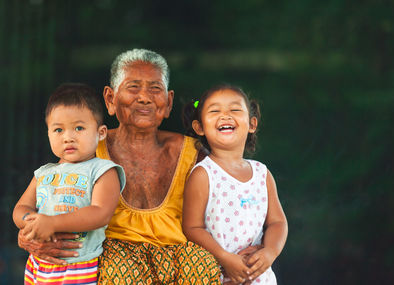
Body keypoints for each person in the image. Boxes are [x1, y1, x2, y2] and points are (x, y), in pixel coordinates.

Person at [18, 49, 222, 284]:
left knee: (205, 266)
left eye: (155, 88)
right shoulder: (87, 149)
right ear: (110, 99)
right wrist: (28, 236)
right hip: (117, 259)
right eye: (133, 87)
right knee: (118, 273)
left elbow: (226, 208)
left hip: (178, 255)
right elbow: (52, 198)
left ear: (168, 102)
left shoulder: (194, 153)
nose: (144, 97)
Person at [13, 83, 126, 284]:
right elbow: (20, 208)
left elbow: (100, 213)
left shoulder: (103, 170)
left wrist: (53, 223)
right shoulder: (43, 173)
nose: (68, 137)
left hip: (79, 265)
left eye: (79, 128)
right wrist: (32, 221)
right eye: (58, 130)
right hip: (39, 264)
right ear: (48, 133)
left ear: (101, 133)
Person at [182, 84, 288, 284]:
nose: (225, 116)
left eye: (235, 110)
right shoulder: (204, 174)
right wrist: (225, 257)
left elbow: (277, 222)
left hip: (258, 276)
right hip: (221, 275)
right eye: (215, 111)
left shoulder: (261, 173)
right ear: (200, 127)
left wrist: (270, 252)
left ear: (252, 124)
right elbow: (192, 227)